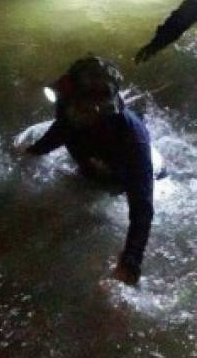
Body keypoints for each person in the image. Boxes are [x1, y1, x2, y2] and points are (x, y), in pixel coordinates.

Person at [25, 56, 154, 286]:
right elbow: (60, 130)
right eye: (69, 100)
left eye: (79, 105)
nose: (69, 108)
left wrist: (130, 262)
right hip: (90, 164)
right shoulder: (68, 107)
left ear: (98, 108)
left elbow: (142, 209)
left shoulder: (132, 139)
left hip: (119, 179)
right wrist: (33, 152)